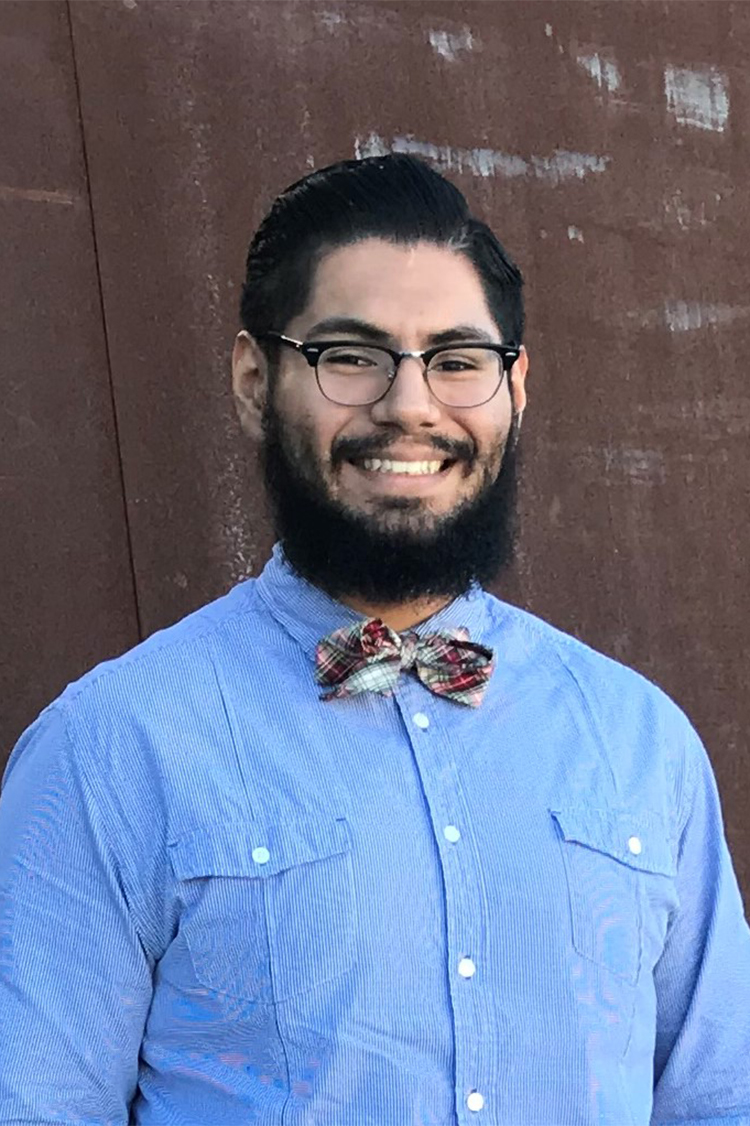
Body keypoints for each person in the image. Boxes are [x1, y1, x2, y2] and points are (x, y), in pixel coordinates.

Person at [1, 154, 748, 1126]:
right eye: (351, 355)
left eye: (457, 359)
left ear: (513, 388)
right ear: (253, 380)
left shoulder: (644, 745)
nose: (409, 404)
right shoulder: (111, 747)